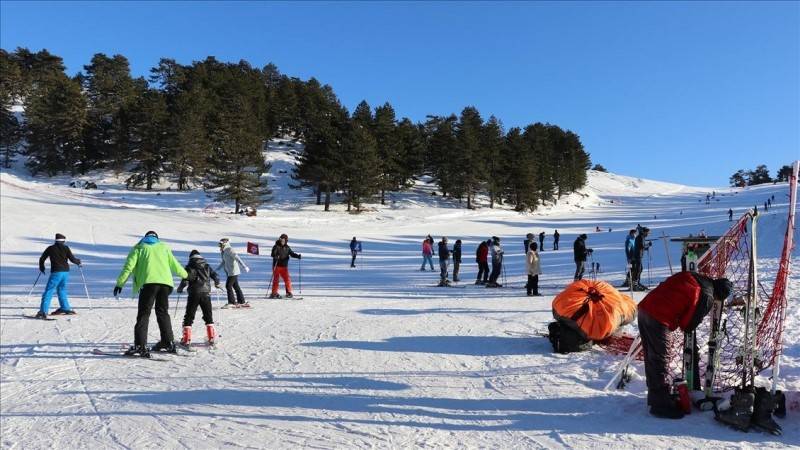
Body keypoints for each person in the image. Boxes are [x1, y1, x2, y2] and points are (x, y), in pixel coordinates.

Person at [637, 272, 732, 419]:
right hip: (659, 317)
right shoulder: (707, 295)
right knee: (660, 359)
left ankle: (656, 396)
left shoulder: (696, 277)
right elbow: (687, 325)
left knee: (651, 357)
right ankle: (660, 405)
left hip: (645, 307)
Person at [114, 231, 188, 357]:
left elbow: (128, 267)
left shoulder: (139, 248)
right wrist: (186, 275)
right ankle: (168, 342)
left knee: (144, 314)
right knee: (162, 312)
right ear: (157, 239)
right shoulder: (164, 247)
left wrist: (120, 283)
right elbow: (175, 265)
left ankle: (140, 345)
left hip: (148, 284)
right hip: (165, 285)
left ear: (145, 238)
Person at [176, 250, 221, 348]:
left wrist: (180, 289)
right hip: (206, 293)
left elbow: (184, 281)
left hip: (194, 294)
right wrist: (217, 283)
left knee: (189, 316)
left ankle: (186, 339)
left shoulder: (190, 267)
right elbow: (216, 276)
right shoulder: (207, 266)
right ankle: (211, 337)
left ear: (190, 258)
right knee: (208, 315)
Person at [36, 233, 82, 319]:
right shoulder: (66, 248)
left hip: (56, 272)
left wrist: (42, 267)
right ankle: (65, 308)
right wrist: (78, 262)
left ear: (55, 240)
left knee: (49, 290)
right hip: (65, 272)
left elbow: (42, 258)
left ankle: (43, 311)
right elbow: (72, 259)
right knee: (62, 289)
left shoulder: (50, 248)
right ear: (63, 241)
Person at [216, 238, 250, 308]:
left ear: (225, 243)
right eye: (219, 245)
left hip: (233, 271)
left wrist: (244, 266)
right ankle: (242, 301)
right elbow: (224, 262)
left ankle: (231, 302)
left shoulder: (229, 249)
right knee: (236, 286)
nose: (220, 246)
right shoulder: (224, 251)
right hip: (230, 271)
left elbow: (237, 258)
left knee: (228, 286)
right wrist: (217, 269)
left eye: (221, 244)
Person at [269, 233, 301, 299]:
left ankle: (289, 292)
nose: (282, 241)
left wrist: (297, 256)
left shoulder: (287, 247)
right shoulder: (276, 246)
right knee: (276, 280)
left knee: (287, 279)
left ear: (286, 241)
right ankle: (274, 293)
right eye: (281, 239)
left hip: (284, 266)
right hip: (277, 266)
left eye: (283, 240)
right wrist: (276, 256)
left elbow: (292, 254)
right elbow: (273, 254)